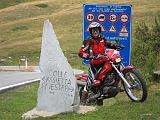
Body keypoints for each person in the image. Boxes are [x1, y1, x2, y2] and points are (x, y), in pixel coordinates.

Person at [78, 22, 123, 104]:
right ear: (91, 32)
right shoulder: (88, 41)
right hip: (94, 65)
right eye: (93, 31)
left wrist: (116, 46)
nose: (95, 32)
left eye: (96, 30)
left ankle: (114, 84)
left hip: (104, 61)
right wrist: (90, 56)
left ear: (99, 31)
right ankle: (82, 101)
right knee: (89, 83)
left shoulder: (102, 38)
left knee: (115, 67)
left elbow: (109, 44)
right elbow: (81, 52)